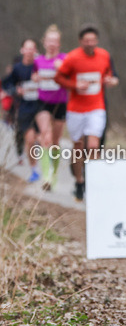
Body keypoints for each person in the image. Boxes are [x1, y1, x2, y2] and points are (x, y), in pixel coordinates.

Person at [55, 25, 119, 201]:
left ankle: (93, 182)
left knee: (93, 145)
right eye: (87, 40)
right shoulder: (72, 58)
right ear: (80, 41)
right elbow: (58, 78)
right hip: (76, 109)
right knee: (78, 147)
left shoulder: (104, 55)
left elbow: (112, 76)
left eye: (93, 40)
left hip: (96, 107)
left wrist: (111, 81)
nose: (90, 43)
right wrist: (75, 85)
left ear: (97, 41)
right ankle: (79, 181)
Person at [33, 25, 68, 191]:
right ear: (44, 42)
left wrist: (63, 70)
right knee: (45, 137)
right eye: (49, 41)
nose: (52, 44)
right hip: (43, 103)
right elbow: (32, 75)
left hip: (60, 103)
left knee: (55, 141)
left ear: (59, 43)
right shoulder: (38, 61)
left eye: (55, 41)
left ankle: (53, 175)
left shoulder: (64, 59)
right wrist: (34, 77)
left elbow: (71, 76)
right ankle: (45, 176)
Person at [2, 39, 41, 180]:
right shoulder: (17, 68)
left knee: (44, 139)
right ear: (22, 50)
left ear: (36, 51)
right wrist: (15, 90)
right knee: (30, 140)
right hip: (25, 108)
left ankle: (49, 171)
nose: (30, 51)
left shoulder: (40, 66)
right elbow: (6, 84)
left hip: (42, 106)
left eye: (32, 49)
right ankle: (34, 170)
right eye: (27, 48)